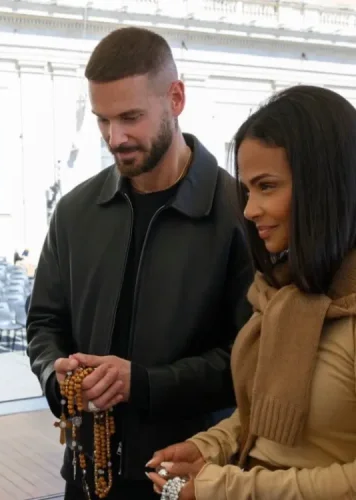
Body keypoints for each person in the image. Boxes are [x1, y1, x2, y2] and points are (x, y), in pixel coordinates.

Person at [26, 27, 253, 499]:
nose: (116, 137)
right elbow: (45, 323)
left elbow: (250, 362)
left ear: (176, 98)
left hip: (189, 477)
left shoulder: (241, 214)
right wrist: (56, 376)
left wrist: (143, 383)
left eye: (131, 117)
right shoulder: (74, 211)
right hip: (87, 475)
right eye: (102, 120)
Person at [147, 85, 356, 499]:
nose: (248, 210)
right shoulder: (282, 294)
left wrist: (227, 488)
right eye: (246, 190)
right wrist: (211, 446)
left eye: (267, 187)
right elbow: (262, 415)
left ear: (325, 187)